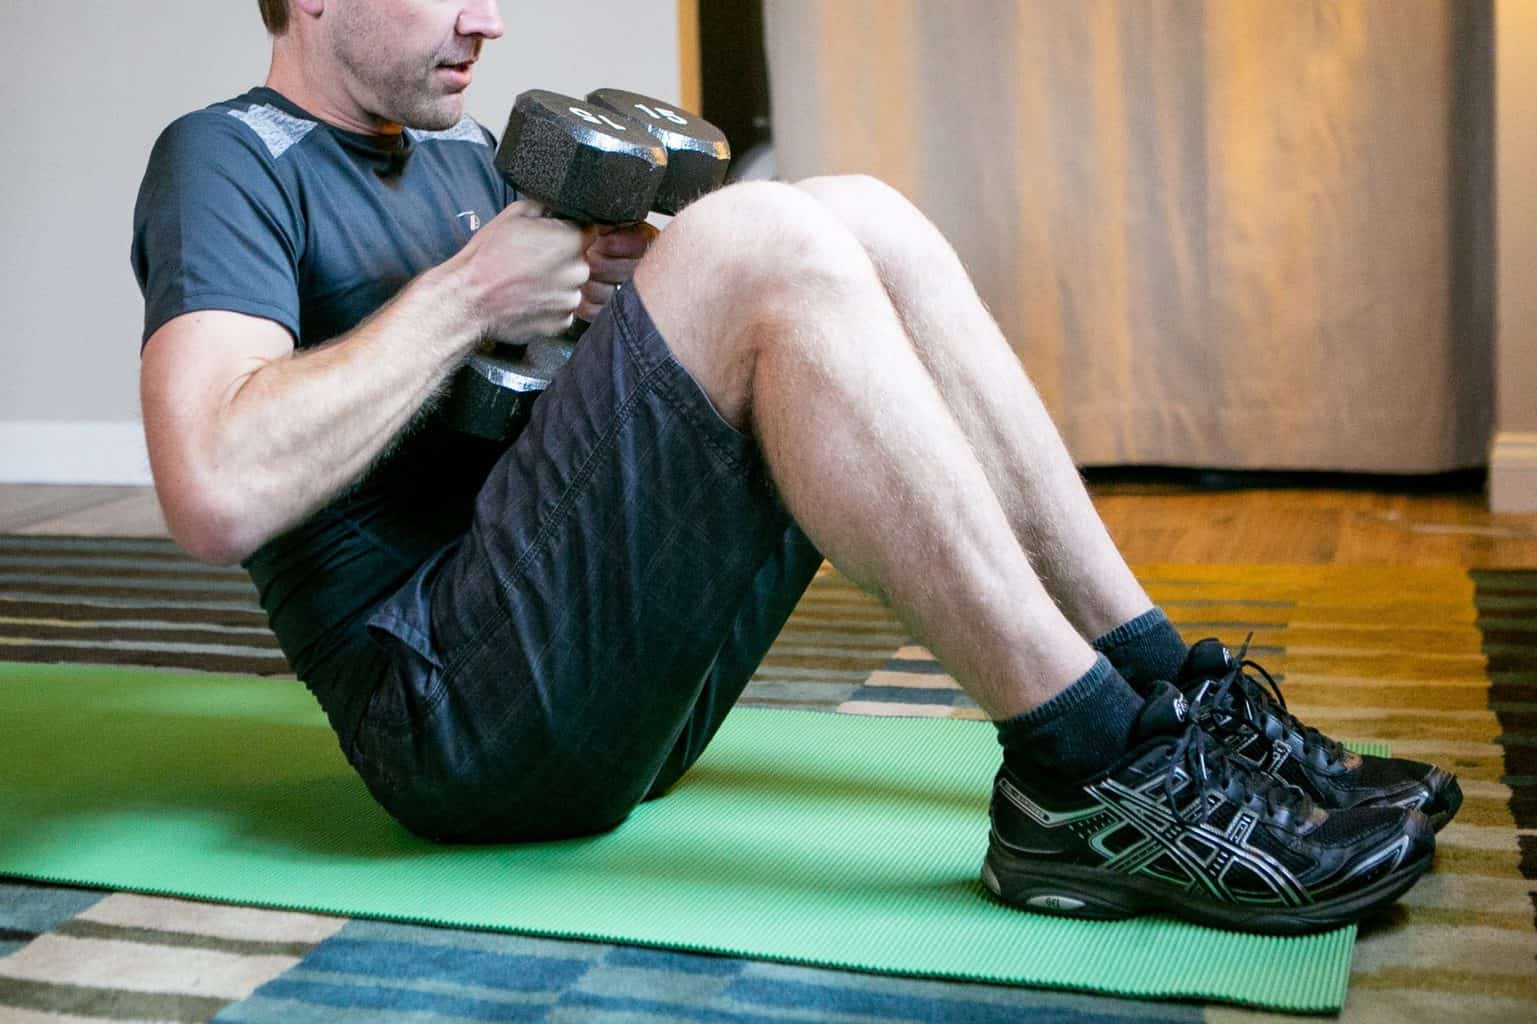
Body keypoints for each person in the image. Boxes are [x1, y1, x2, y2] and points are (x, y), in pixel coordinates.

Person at [132, 0, 1459, 934]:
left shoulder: (463, 156)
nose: (487, 19)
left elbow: (528, 436)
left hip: (598, 698)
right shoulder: (229, 159)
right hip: (450, 727)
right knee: (757, 235)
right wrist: (473, 293)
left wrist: (621, 317)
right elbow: (212, 487)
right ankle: (1086, 767)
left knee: (852, 217)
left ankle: (1167, 691)